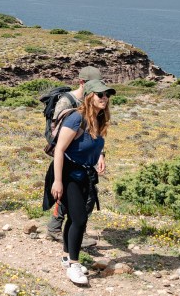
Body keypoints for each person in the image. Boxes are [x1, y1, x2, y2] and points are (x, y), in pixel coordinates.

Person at [46, 79, 114, 286]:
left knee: (74, 217)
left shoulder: (99, 119)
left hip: (84, 173)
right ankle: (74, 265)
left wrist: (99, 156)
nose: (105, 98)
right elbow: (59, 150)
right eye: (100, 95)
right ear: (89, 96)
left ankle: (67, 257)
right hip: (67, 173)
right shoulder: (76, 118)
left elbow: (94, 143)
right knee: (80, 218)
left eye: (107, 95)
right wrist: (57, 181)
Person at [47, 66, 104, 247]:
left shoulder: (97, 104)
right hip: (67, 156)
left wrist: (100, 153)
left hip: (84, 157)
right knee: (69, 196)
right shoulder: (67, 101)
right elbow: (57, 135)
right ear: (82, 83)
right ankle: (59, 230)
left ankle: (73, 232)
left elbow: (95, 132)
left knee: (86, 196)